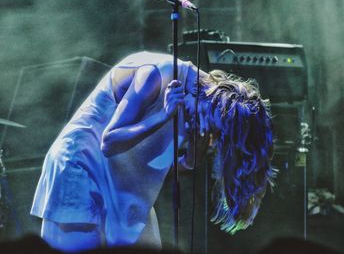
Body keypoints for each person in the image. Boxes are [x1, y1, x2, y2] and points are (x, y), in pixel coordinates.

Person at [30, 51, 274, 252]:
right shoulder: (156, 75)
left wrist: (193, 156)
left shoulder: (202, 109)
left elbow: (167, 165)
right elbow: (110, 142)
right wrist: (162, 116)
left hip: (124, 181)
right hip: (82, 169)